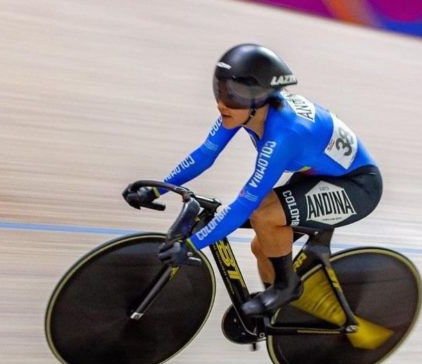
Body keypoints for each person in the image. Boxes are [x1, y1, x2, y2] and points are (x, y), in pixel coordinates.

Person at [123, 43, 382, 317]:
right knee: (264, 246)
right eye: (221, 90)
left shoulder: (285, 135)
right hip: (318, 175)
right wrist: (154, 190)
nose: (223, 102)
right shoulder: (242, 110)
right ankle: (276, 316)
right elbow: (204, 155)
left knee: (264, 214)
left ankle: (287, 287)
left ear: (261, 99)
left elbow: (246, 203)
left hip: (358, 186)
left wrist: (191, 246)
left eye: (234, 94)